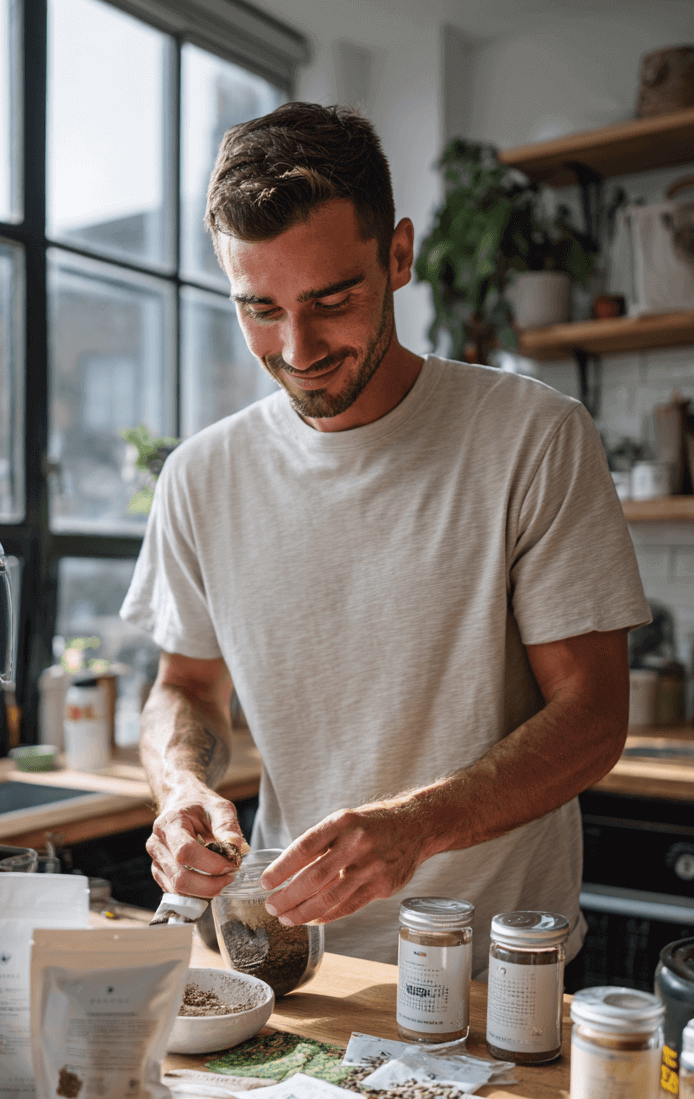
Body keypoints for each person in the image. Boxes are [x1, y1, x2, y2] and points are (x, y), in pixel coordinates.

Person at [120, 101, 649, 973]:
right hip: (286, 965)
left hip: (493, 969)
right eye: (261, 309)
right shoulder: (200, 475)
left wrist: (417, 828)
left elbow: (593, 717)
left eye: (332, 300)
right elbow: (184, 687)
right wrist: (181, 790)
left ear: (398, 256)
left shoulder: (531, 436)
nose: (298, 347)